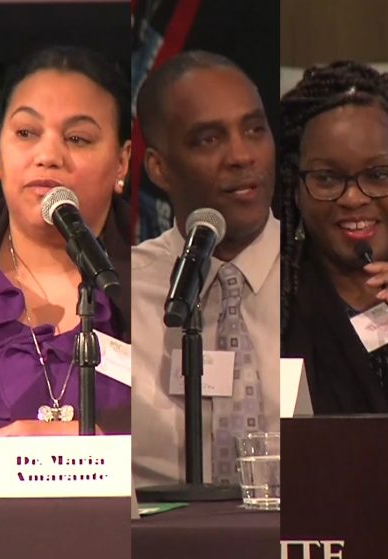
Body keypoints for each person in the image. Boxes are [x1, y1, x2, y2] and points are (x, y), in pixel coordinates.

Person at [132, 51, 280, 487]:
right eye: (208, 140)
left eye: (255, 130)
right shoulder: (119, 295)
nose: (241, 155)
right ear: (159, 167)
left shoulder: (318, 272)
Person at [0, 47, 131, 437]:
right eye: (25, 133)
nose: (48, 155)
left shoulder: (156, 277)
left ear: (122, 163)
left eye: (78, 138)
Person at [279, 61, 388, 413]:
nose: (353, 198)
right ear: (297, 190)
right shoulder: (276, 304)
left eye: (378, 175)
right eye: (327, 178)